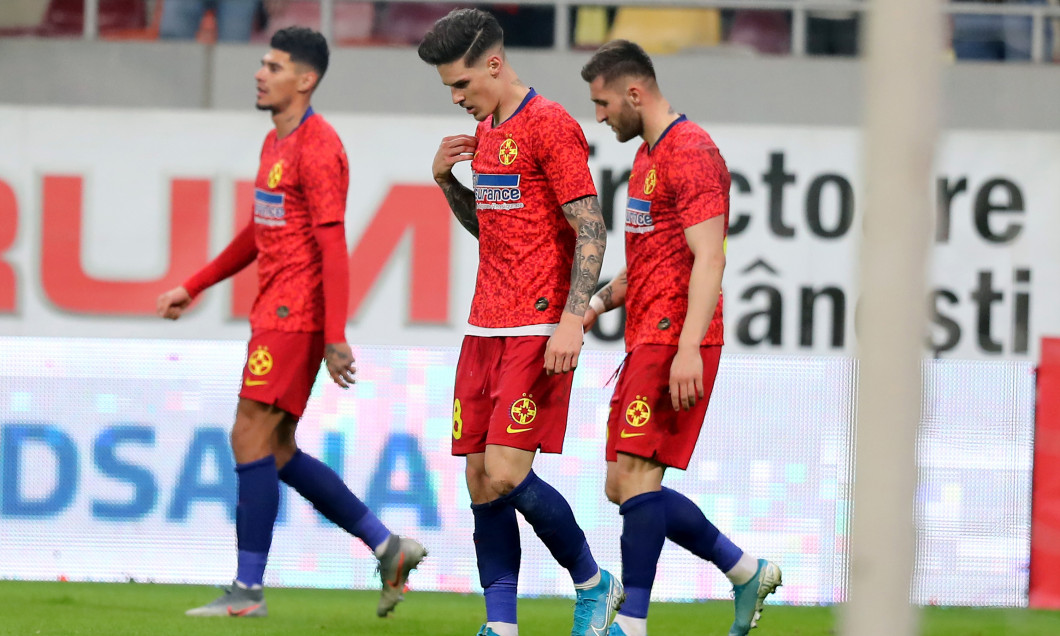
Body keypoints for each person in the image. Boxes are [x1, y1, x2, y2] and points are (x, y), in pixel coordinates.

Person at [156, 26, 425, 618]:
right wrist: (194, 285)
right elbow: (259, 230)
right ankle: (388, 547)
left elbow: (333, 245)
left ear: (305, 80)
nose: (260, 72)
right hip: (274, 310)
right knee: (275, 450)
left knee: (247, 434)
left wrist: (334, 335)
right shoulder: (275, 142)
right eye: (262, 62)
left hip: (296, 314)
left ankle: (248, 591)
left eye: (273, 66)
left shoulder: (318, 146)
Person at [417, 9, 621, 636]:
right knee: (480, 479)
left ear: (494, 65)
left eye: (461, 85)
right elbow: (494, 230)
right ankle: (500, 626)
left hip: (537, 325)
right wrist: (447, 181)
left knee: (507, 471)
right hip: (485, 324)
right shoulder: (486, 137)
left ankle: (593, 582)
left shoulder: (549, 125)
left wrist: (571, 320)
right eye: (449, 89)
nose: (456, 99)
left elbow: (591, 228)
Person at [579, 40, 782, 636]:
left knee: (637, 480)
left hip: (674, 338)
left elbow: (709, 259)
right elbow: (651, 260)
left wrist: (690, 346)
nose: (599, 116)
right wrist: (598, 301)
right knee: (623, 484)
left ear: (634, 93)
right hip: (646, 335)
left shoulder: (692, 152)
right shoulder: (647, 157)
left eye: (603, 103)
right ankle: (744, 570)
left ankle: (632, 622)